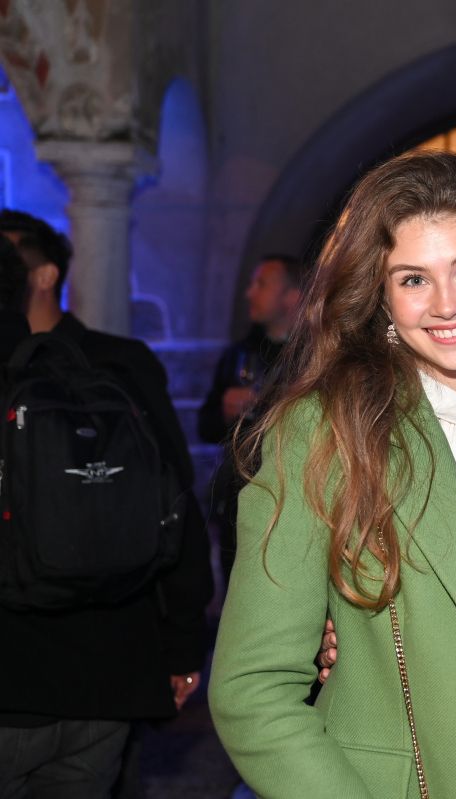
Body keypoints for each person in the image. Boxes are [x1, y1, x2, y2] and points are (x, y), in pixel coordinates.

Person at [209, 151, 456, 798]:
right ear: (383, 297)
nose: (446, 303)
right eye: (414, 279)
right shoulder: (325, 431)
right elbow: (251, 691)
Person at [0, 210, 213, 796]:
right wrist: (183, 643)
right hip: (108, 676)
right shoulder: (113, 369)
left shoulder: (117, 363)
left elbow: (170, 504)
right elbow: (178, 509)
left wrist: (181, 641)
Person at [198, 253, 305, 582]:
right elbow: (206, 427)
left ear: (291, 297)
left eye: (261, 284)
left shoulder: (314, 356)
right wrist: (224, 410)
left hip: (296, 501)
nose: (249, 293)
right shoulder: (239, 355)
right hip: (242, 498)